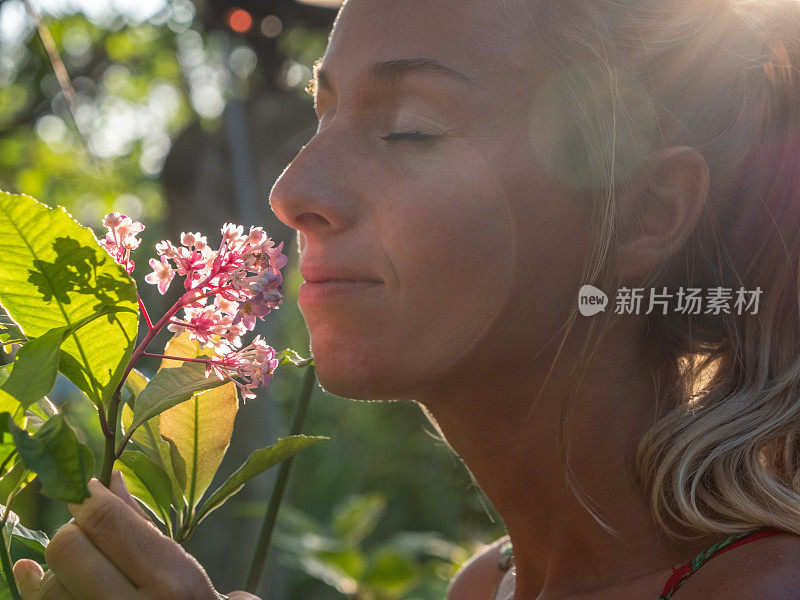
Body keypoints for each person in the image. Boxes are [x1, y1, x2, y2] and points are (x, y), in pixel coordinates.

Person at [12, 0, 800, 598]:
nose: (292, 192)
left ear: (647, 211)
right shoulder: (487, 585)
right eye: (323, 113)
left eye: (410, 130)